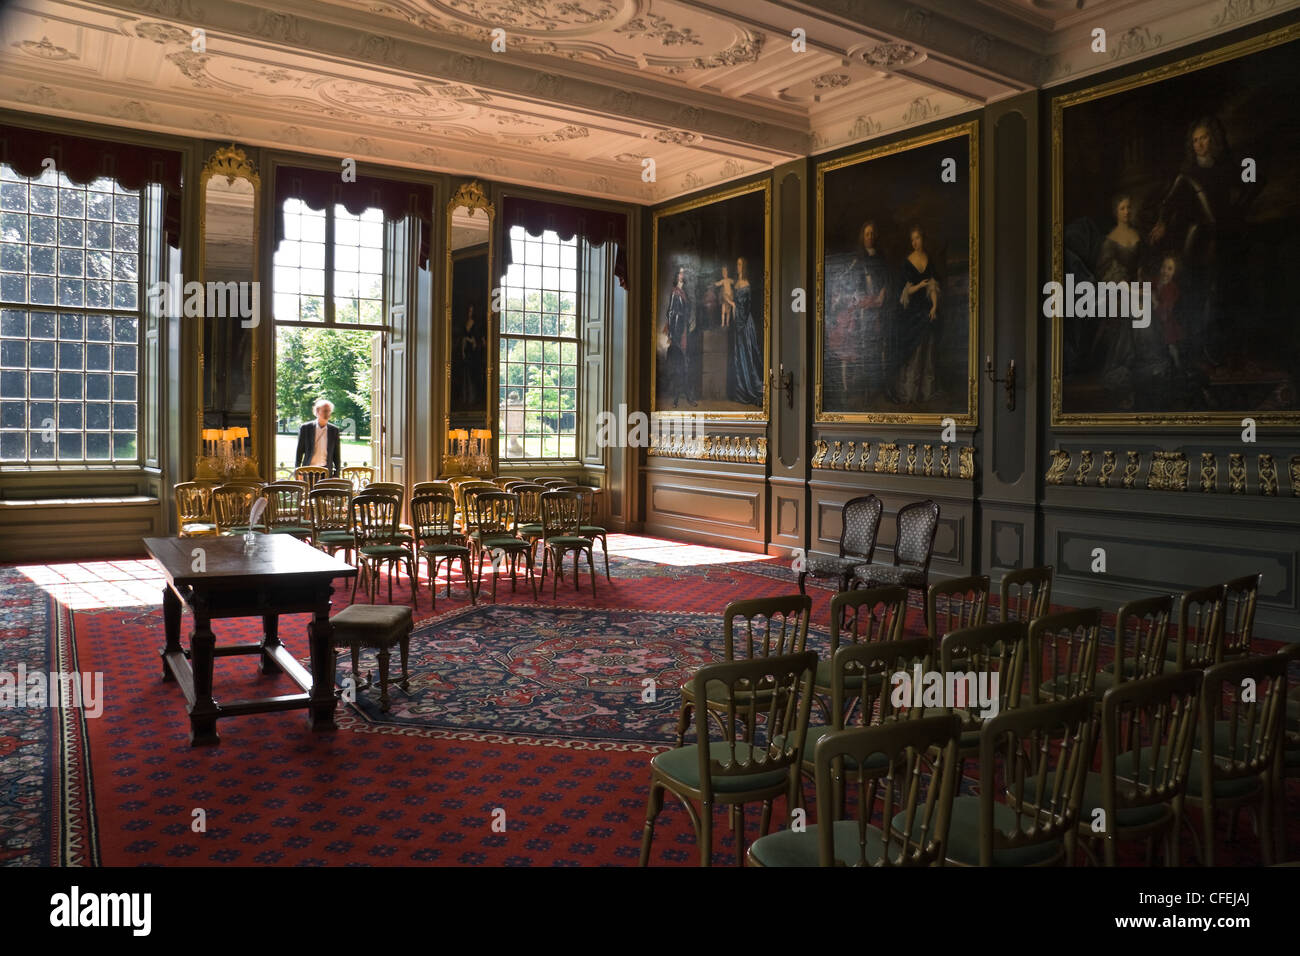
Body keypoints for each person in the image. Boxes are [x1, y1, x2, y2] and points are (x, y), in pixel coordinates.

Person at [890, 225, 941, 404]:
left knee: (929, 354)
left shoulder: (928, 260)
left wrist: (934, 306)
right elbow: (904, 292)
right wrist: (919, 286)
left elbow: (933, 286)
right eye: (912, 239)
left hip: (927, 312)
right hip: (912, 314)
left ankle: (927, 394)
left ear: (923, 238)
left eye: (917, 238)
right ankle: (909, 394)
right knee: (915, 354)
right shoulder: (907, 262)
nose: (915, 242)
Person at [727, 256, 764, 406]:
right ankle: (741, 389)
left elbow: (745, 307)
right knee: (738, 355)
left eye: (740, 264)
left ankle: (753, 387)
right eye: (737, 264)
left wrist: (733, 306)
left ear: (744, 266)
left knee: (748, 354)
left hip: (745, 324)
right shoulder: (736, 283)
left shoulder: (746, 284)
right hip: (738, 323)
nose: (738, 266)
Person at [662, 267, 696, 407]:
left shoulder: (684, 293)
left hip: (684, 332)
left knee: (684, 366)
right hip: (677, 334)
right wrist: (671, 334)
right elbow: (670, 313)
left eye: (683, 272)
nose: (682, 274)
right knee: (679, 367)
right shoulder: (675, 292)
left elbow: (686, 312)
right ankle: (680, 398)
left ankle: (685, 397)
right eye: (680, 272)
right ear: (677, 276)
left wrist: (689, 324)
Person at [294, 398, 341, 476]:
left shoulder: (334, 430)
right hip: (308, 471)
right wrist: (298, 471)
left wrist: (336, 474)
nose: (328, 413)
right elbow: (299, 451)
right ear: (317, 411)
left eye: (329, 411)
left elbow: (337, 455)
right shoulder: (305, 428)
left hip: (326, 472)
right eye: (325, 411)